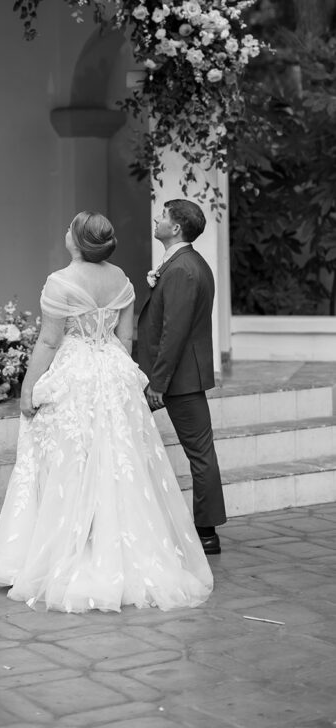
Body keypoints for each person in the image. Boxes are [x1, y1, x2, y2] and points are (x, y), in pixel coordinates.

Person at [0, 211, 213, 613]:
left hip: (73, 373)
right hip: (112, 371)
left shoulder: (60, 282)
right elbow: (126, 338)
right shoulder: (122, 280)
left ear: (75, 241)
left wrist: (28, 388)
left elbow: (50, 341)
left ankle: (65, 551)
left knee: (71, 459)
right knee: (117, 460)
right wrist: (112, 379)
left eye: (69, 228)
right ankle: (118, 548)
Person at [137, 199, 227, 556]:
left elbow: (173, 333)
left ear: (175, 228)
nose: (156, 219)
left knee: (200, 455)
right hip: (182, 374)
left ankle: (205, 533)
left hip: (177, 378)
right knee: (200, 452)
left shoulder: (182, 270)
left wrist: (157, 383)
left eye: (162, 216)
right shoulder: (183, 264)